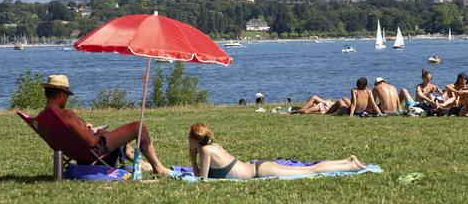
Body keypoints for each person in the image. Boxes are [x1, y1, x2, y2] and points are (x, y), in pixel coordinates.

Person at [42, 74, 171, 175]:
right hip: (95, 150)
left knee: (122, 137)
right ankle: (158, 167)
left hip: (78, 153)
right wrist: (97, 131)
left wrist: (84, 127)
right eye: (67, 95)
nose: (66, 99)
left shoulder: (44, 117)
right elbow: (91, 141)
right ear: (61, 94)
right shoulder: (66, 114)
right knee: (139, 127)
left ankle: (143, 164)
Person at [188, 123, 366, 179]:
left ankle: (351, 166)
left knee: (310, 171)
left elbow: (201, 179)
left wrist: (192, 158)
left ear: (194, 139)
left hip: (260, 171)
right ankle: (348, 161)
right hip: (258, 166)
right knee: (308, 170)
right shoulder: (215, 146)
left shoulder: (206, 152)